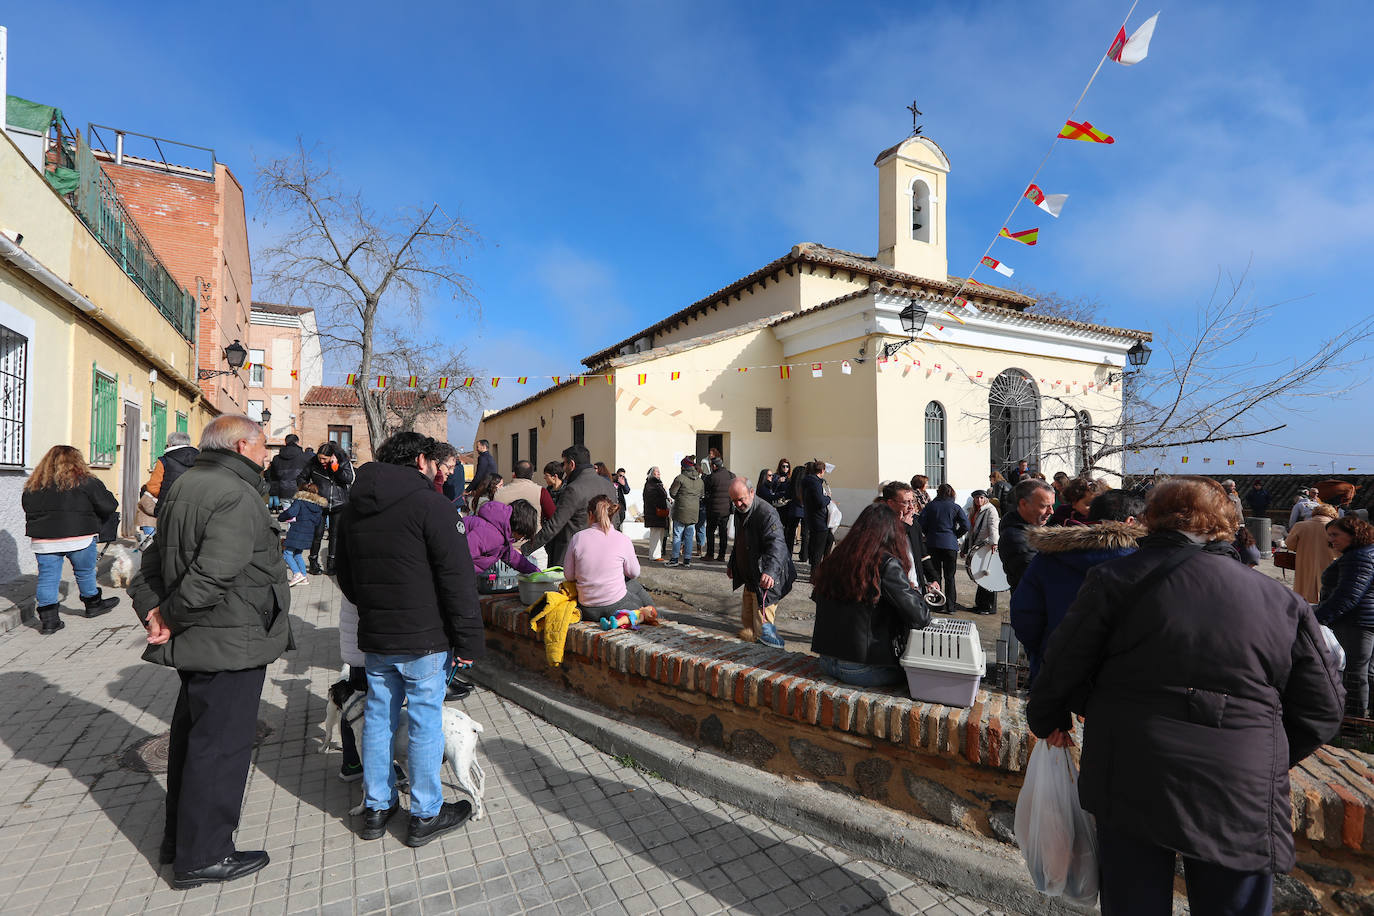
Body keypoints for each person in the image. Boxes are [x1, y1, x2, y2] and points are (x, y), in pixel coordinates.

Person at [1026, 476, 1344, 916]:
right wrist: (1259, 751)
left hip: (1131, 767)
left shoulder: (1116, 580)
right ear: (1225, 523)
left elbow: (1062, 664)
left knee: (1134, 902)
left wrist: (1049, 718)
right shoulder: (1278, 599)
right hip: (1239, 782)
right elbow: (1324, 707)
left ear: (1152, 520)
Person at [128, 415, 294, 888]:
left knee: (194, 741)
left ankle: (180, 841)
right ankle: (203, 855)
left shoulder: (185, 483)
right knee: (220, 749)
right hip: (230, 640)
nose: (266, 456)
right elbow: (212, 574)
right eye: (262, 447)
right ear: (242, 446)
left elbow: (151, 560)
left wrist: (154, 611)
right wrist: (168, 616)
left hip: (209, 638)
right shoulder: (235, 493)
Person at [334, 431, 482, 847]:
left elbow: (344, 574)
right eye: (434, 464)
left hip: (378, 635)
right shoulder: (431, 505)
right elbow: (458, 579)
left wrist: (376, 607)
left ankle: (377, 806)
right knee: (422, 721)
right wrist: (469, 642)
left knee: (379, 719)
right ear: (420, 460)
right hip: (424, 638)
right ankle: (425, 812)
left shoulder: (354, 508)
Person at [1010, 489, 1145, 681]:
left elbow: (1024, 615)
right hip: (1118, 678)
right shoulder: (1144, 563)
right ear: (1130, 521)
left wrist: (1043, 654)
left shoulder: (1048, 557)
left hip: (1055, 669)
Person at [810, 503, 931, 687]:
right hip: (863, 667)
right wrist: (913, 591)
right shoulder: (886, 564)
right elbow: (920, 617)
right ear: (892, 533)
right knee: (925, 678)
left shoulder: (837, 557)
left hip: (827, 661)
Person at [21, 445, 121, 633]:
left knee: (47, 578)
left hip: (45, 539)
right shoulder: (86, 481)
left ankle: (49, 621)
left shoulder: (34, 484)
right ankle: (93, 605)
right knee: (85, 572)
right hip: (80, 536)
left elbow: (27, 507)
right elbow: (108, 505)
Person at [1315, 516, 1374, 718]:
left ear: (1353, 534)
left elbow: (1348, 595)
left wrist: (1317, 618)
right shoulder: (1365, 553)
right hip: (1364, 620)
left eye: (1335, 535)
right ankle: (1364, 722)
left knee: (1355, 673)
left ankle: (1354, 722)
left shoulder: (1358, 557)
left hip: (1357, 622)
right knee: (1366, 671)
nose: (1331, 540)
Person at [726, 477, 795, 648]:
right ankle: (749, 656)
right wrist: (733, 564)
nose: (738, 504)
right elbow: (740, 541)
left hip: (766, 581)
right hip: (750, 578)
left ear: (752, 492)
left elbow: (777, 544)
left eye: (741, 499)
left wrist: (770, 571)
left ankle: (766, 658)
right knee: (747, 626)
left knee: (763, 632)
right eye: (734, 501)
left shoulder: (767, 513)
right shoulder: (741, 511)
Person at [564, 495, 654, 621]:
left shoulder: (577, 538)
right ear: (612, 515)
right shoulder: (622, 539)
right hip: (616, 605)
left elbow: (569, 576)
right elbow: (634, 573)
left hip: (587, 607)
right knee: (635, 587)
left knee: (630, 584)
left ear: (590, 515)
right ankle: (657, 617)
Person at [525, 445, 618, 568]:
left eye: (564, 464)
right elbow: (615, 520)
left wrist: (525, 549)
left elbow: (554, 525)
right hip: (605, 554)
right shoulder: (609, 486)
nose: (563, 469)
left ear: (572, 464)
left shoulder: (573, 489)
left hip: (573, 556)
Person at [297, 441, 354, 575]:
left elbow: (349, 479)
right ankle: (313, 562)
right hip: (319, 503)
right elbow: (301, 478)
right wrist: (307, 487)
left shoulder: (343, 462)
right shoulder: (313, 463)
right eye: (319, 458)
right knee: (317, 534)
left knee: (335, 535)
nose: (321, 461)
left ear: (332, 456)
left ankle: (332, 564)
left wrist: (336, 468)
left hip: (338, 503)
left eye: (324, 459)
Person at [999, 478, 1055, 592]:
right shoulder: (1015, 538)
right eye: (1044, 506)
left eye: (1051, 506)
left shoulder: (1033, 528)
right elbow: (1040, 578)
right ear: (1023, 504)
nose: (1051, 511)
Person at [880, 481, 939, 589]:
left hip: (915, 586)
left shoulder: (914, 524)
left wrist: (933, 578)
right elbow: (885, 550)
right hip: (893, 589)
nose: (911, 507)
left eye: (913, 501)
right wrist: (903, 527)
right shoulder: (880, 524)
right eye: (906, 502)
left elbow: (922, 554)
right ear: (891, 503)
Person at [918, 484, 969, 605]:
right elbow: (966, 525)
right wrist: (955, 535)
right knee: (950, 576)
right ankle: (951, 605)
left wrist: (929, 533)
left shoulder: (930, 506)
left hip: (933, 543)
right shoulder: (955, 507)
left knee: (935, 576)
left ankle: (937, 603)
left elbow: (921, 523)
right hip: (950, 544)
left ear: (938, 492)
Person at [466, 499, 540, 577]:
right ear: (519, 527)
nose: (521, 538)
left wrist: (536, 572)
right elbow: (462, 556)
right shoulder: (491, 535)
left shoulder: (501, 533)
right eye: (523, 535)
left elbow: (513, 557)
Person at [1287, 504, 1340, 603]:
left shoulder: (1300, 526)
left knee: (1303, 596)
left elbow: (1290, 545)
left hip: (1305, 565)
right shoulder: (1336, 528)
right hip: (1330, 567)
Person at [277, 483, 328, 586]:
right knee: (298, 554)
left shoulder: (300, 501)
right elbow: (318, 522)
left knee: (287, 553)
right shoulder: (318, 506)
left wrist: (281, 517)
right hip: (309, 533)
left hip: (297, 531)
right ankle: (304, 577)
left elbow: (291, 513)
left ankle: (297, 574)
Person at [144, 431, 200, 516]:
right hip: (193, 509)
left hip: (168, 509)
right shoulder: (200, 459)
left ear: (170, 444)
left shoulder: (164, 460)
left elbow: (153, 488)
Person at [963, 490, 1000, 614]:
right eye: (976, 498)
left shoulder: (990, 510)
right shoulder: (974, 510)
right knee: (980, 576)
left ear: (985, 498)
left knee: (988, 575)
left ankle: (988, 607)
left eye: (981, 497)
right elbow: (970, 531)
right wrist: (965, 547)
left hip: (987, 546)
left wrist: (994, 543)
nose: (979, 500)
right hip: (978, 546)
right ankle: (980, 604)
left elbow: (994, 527)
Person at [668, 456, 705, 568]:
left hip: (681, 510)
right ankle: (687, 560)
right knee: (689, 536)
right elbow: (701, 495)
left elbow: (672, 493)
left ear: (683, 467)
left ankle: (674, 559)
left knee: (677, 535)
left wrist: (681, 498)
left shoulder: (680, 478)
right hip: (694, 512)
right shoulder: (700, 480)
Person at [800, 459, 831, 567]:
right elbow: (820, 502)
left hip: (812, 517)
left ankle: (822, 566)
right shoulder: (815, 483)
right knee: (818, 550)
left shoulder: (808, 481)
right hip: (818, 519)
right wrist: (828, 498)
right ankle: (816, 571)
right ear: (822, 471)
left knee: (829, 539)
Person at [703, 457, 735, 562]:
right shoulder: (731, 475)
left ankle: (710, 554)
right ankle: (721, 555)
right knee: (723, 533)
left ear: (714, 466)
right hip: (726, 509)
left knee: (710, 532)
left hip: (713, 509)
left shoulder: (712, 477)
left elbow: (706, 490)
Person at [264, 433, 308, 510]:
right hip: (299, 490)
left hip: (283, 490)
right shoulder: (304, 457)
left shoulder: (276, 458)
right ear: (297, 442)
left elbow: (272, 476)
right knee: (299, 514)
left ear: (285, 442)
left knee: (288, 514)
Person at [642, 467, 670, 561]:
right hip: (654, 513)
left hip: (659, 513)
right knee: (655, 535)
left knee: (660, 534)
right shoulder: (651, 484)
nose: (659, 473)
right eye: (656, 472)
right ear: (652, 474)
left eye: (659, 472)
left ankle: (657, 554)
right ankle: (654, 555)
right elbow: (653, 498)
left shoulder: (656, 484)